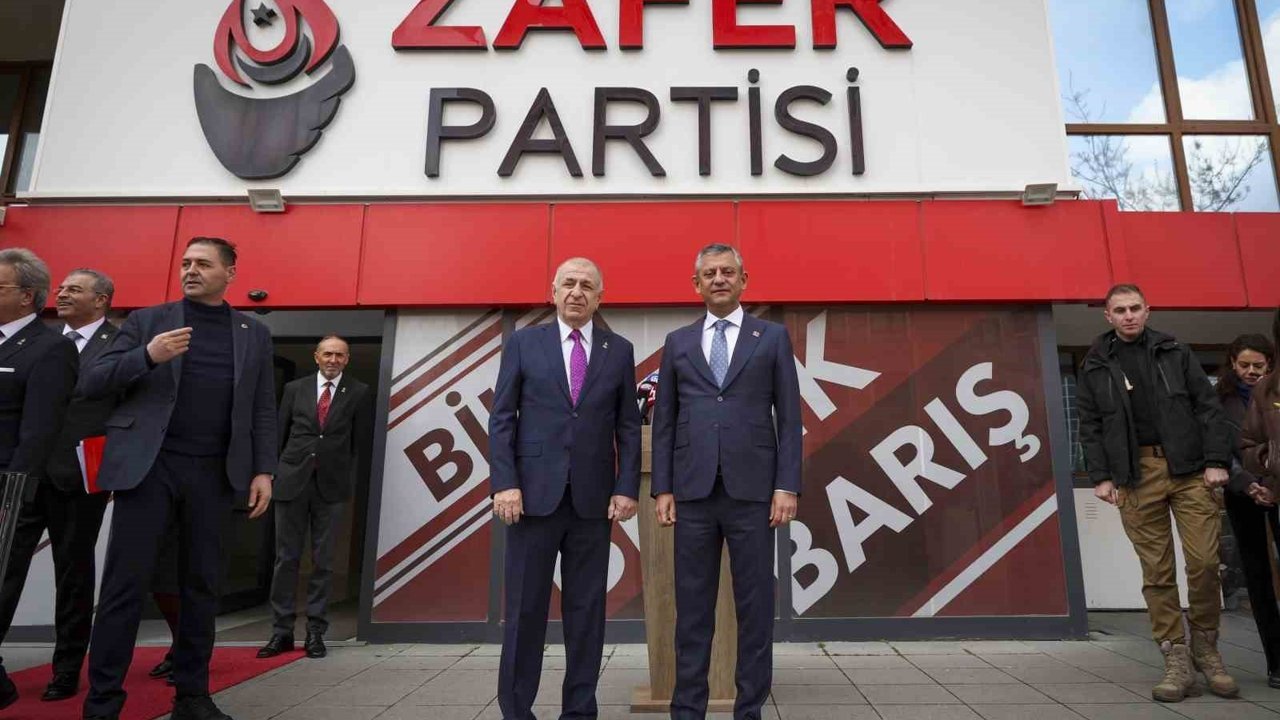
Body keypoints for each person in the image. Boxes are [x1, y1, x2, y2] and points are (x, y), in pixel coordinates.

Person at [80, 237, 277, 720]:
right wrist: (147, 355)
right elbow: (92, 381)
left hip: (215, 474)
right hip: (150, 469)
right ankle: (103, 703)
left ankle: (192, 697)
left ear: (230, 273)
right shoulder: (148, 321)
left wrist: (264, 470)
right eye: (186, 262)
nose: (191, 270)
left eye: (203, 264)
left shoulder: (253, 332)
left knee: (201, 587)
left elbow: (262, 408)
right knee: (124, 587)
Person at [651, 243, 802, 720]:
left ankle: (749, 710)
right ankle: (687, 710)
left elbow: (790, 417)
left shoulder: (771, 338)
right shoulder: (677, 342)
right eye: (710, 273)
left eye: (728, 272)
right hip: (692, 494)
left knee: (754, 610)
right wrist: (663, 488)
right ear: (696, 284)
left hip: (754, 495)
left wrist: (787, 486)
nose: (719, 279)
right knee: (692, 611)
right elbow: (665, 421)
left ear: (743, 280)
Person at [488, 257, 641, 720]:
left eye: (587, 286)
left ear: (600, 297)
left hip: (593, 504)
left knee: (586, 614)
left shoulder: (619, 350)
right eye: (569, 284)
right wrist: (505, 483)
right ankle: (517, 711)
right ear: (553, 292)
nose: (577, 292)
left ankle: (579, 711)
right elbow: (502, 418)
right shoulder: (524, 343)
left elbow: (627, 426)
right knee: (525, 612)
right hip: (532, 500)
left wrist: (627, 487)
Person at [1076, 283, 1236, 702]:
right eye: (1120, 310)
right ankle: (1176, 658)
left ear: (1147, 311)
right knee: (1157, 572)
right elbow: (1090, 425)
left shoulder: (1175, 352)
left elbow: (1208, 408)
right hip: (1135, 475)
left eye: (1135, 308)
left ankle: (1206, 648)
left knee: (1204, 563)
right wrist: (1101, 476)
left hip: (1190, 470)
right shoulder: (1095, 363)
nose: (1128, 315)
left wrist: (1216, 460)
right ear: (1108, 316)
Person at [0, 268, 117, 704]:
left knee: (72, 576)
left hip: (78, 478)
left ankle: (67, 668)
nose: (63, 294)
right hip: (24, 475)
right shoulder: (39, 341)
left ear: (101, 299)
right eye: (62, 287)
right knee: (5, 568)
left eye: (75, 289)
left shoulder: (120, 343)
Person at [258, 335, 371, 660]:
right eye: (328, 354)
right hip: (291, 482)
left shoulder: (359, 391)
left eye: (340, 355)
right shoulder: (295, 389)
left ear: (347, 359)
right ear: (316, 356)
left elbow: (358, 442)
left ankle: (315, 632)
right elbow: (279, 433)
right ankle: (281, 632)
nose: (333, 360)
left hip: (330, 487)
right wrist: (271, 473)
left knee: (324, 562)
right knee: (286, 559)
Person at [0, 249, 79, 709]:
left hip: (11, 488)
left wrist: (13, 494)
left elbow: (39, 429)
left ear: (27, 295)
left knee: (3, 579)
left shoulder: (51, 348)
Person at [1219, 332, 1280, 687]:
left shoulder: (1275, 395)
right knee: (1257, 576)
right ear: (1232, 363)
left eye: (1259, 365)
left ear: (1270, 364)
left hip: (1277, 488)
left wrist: (1271, 485)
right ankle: (1276, 661)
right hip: (1242, 492)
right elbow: (1219, 449)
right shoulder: (1218, 400)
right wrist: (1248, 484)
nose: (1251, 371)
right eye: (1244, 365)